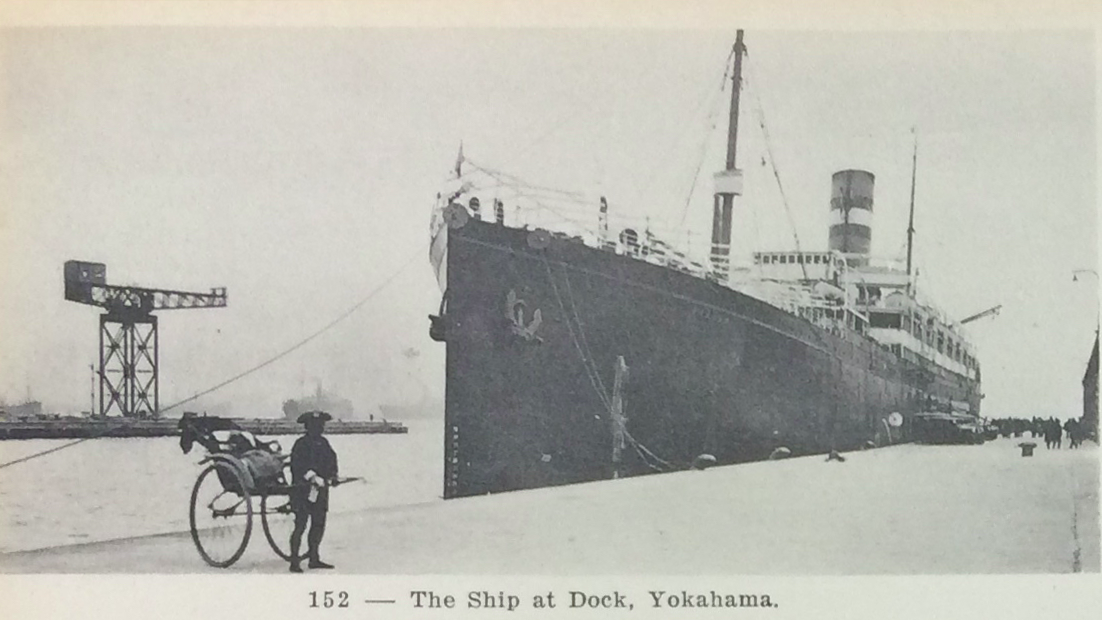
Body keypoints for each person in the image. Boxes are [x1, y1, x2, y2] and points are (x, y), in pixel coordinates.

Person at [289, 410, 340, 573]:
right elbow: (296, 466)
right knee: (301, 525)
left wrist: (333, 476)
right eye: (316, 425)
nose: (320, 428)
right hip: (302, 490)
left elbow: (332, 461)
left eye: (321, 425)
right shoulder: (300, 444)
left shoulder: (324, 443)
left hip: (321, 490)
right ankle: (294, 561)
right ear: (308, 427)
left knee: (318, 524)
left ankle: (314, 558)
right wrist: (311, 476)